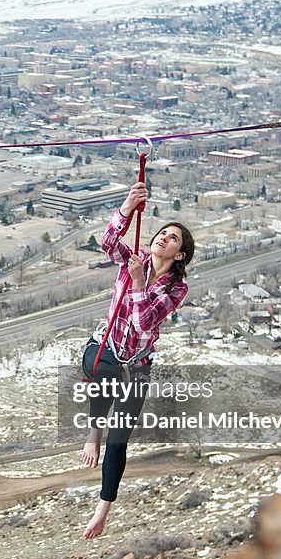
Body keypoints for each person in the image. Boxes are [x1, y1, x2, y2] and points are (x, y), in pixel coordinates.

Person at [80, 181, 194, 539]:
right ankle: (91, 432)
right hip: (106, 352)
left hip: (137, 365)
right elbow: (108, 244)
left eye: (173, 238)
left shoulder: (176, 289)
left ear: (179, 255)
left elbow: (145, 321)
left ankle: (102, 511)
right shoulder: (135, 260)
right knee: (99, 370)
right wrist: (128, 207)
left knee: (120, 440)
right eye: (162, 233)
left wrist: (138, 283)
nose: (163, 238)